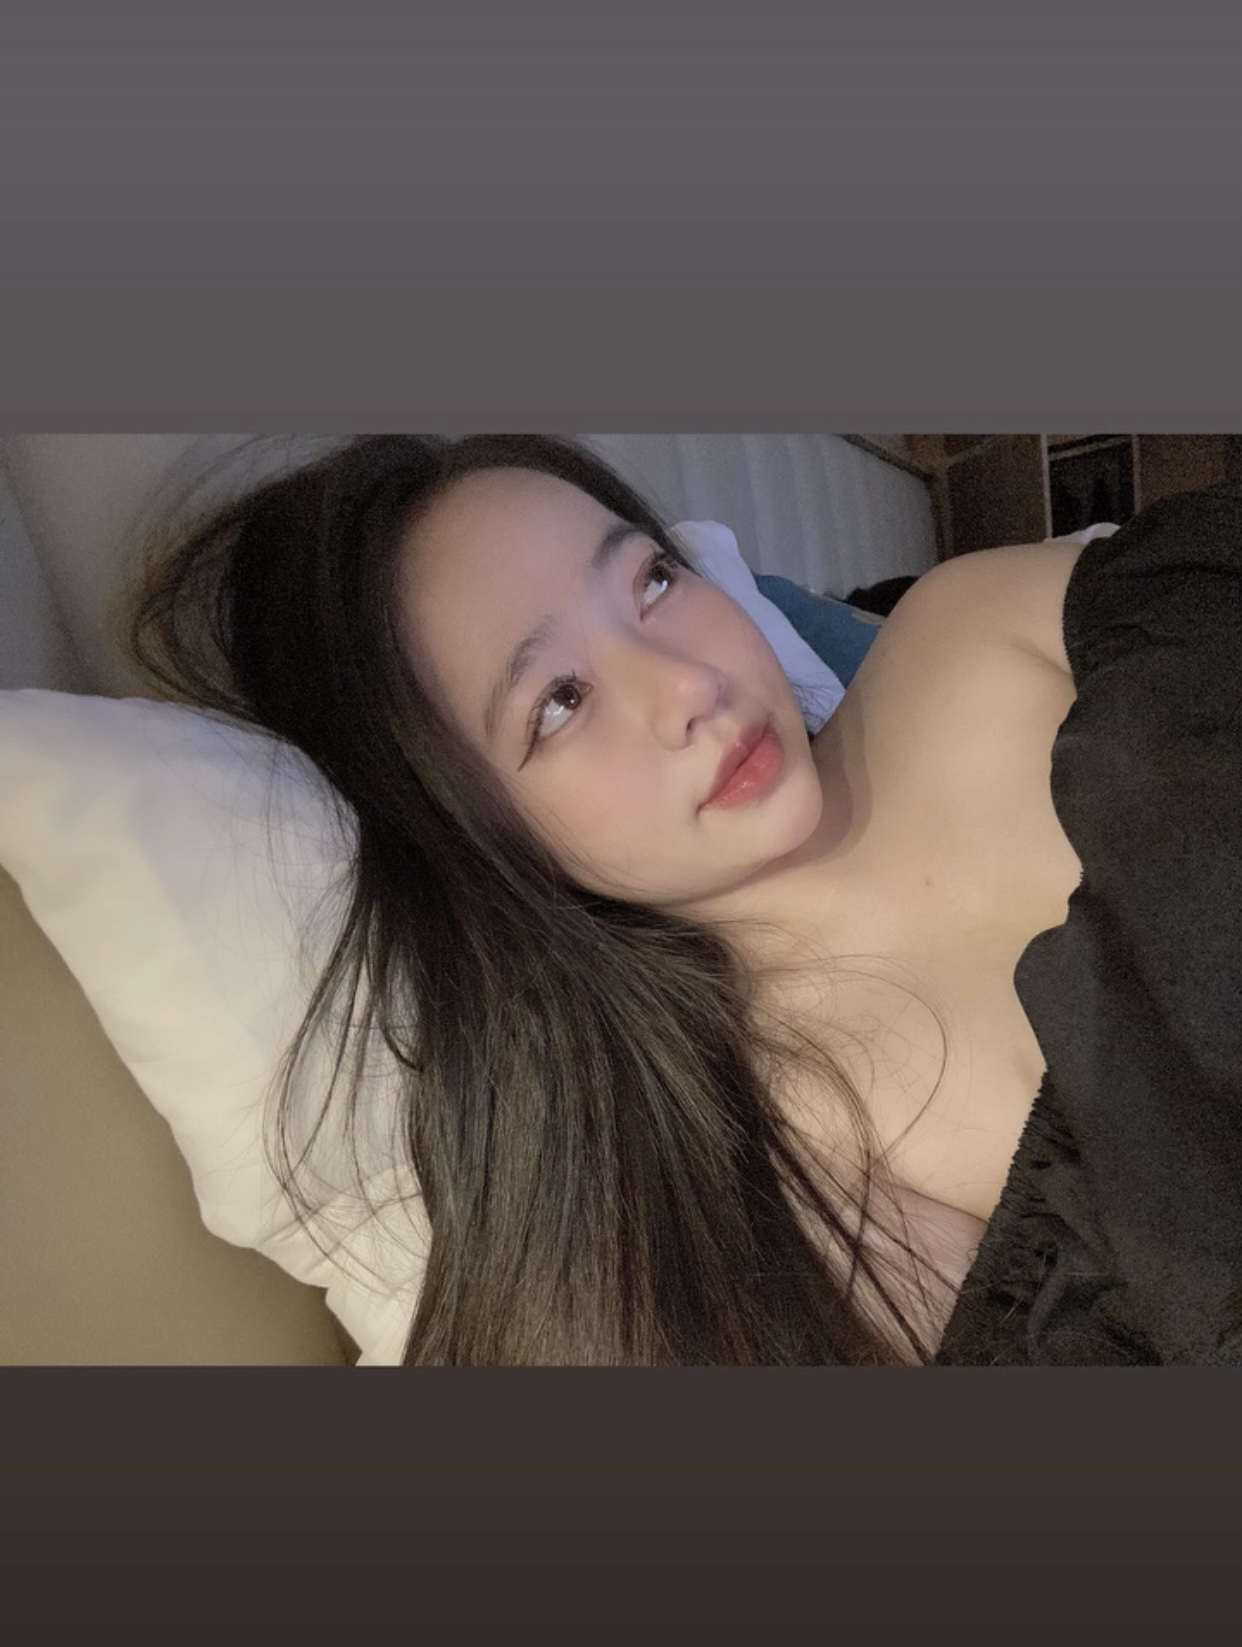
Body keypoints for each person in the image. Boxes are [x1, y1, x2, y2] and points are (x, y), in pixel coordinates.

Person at [118, 433, 1203, 1366]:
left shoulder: (973, 623)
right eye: (558, 702)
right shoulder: (770, 1197)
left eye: (651, 581)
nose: (690, 686)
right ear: (475, 840)